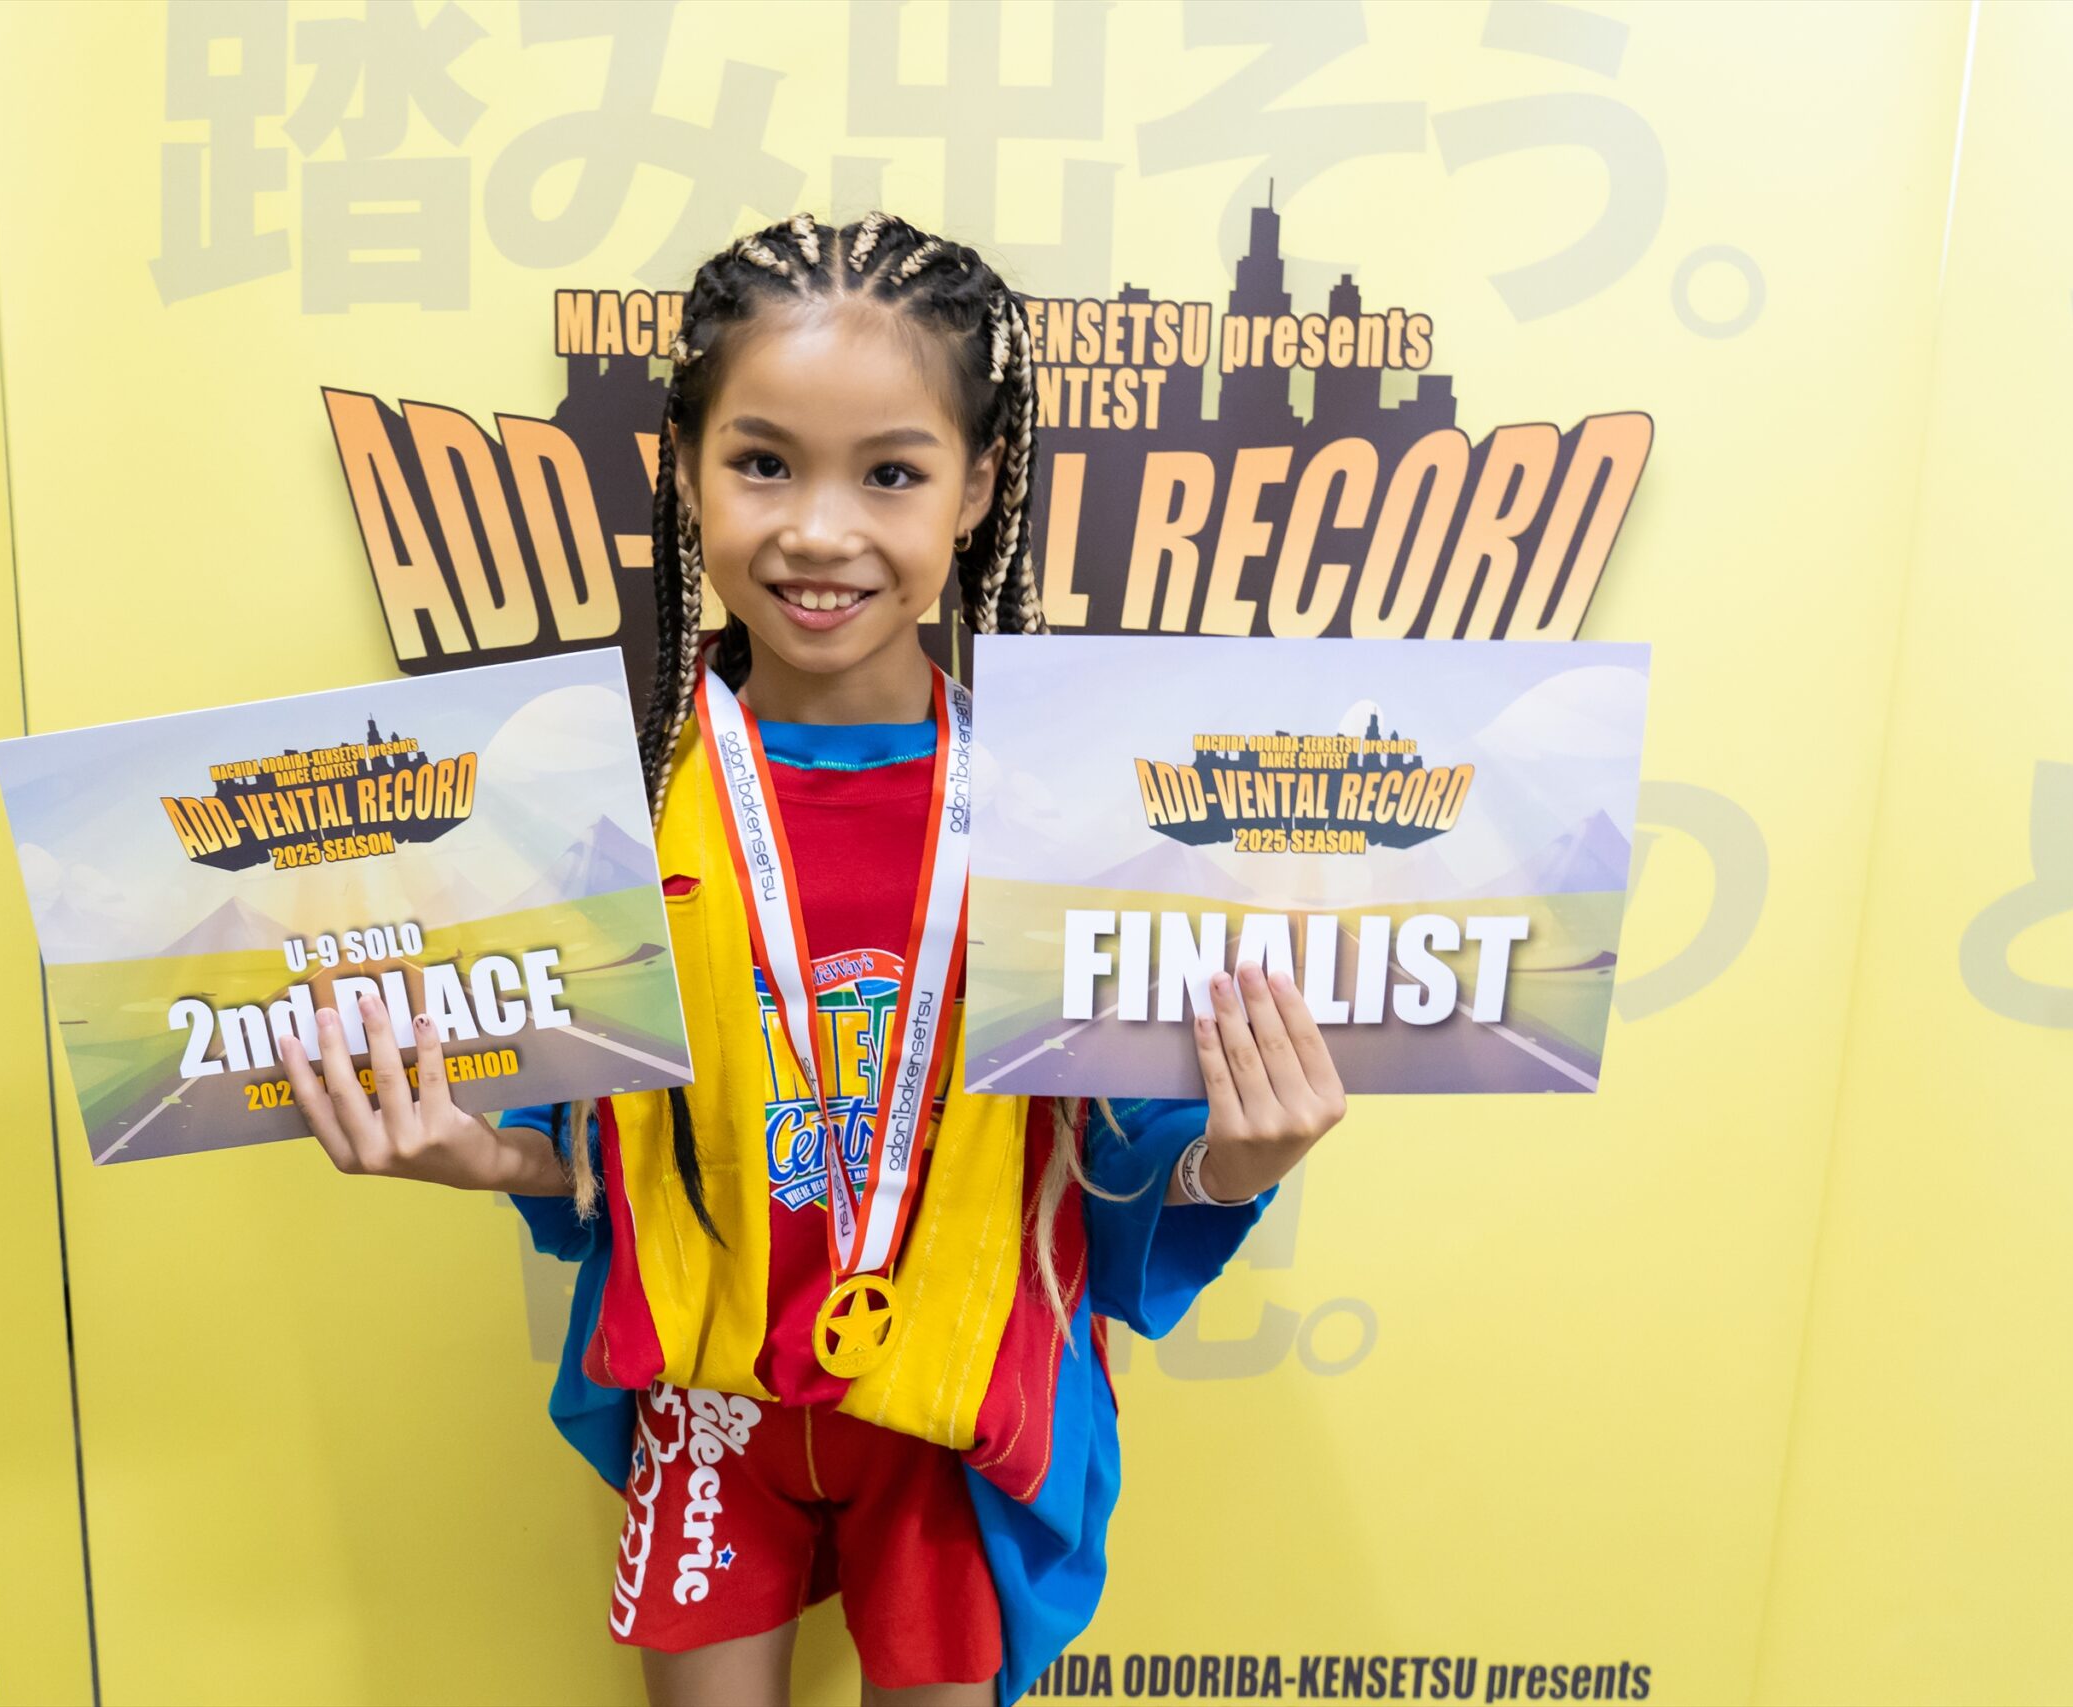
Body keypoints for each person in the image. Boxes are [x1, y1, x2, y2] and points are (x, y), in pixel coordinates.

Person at [275, 212, 1349, 1707]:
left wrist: (1235, 1163)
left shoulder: (1061, 821)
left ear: (980, 485)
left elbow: (1110, 1181)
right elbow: (605, 1155)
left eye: (892, 473)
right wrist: (486, 1157)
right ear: (685, 467)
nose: (820, 532)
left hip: (962, 1403)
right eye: (764, 463)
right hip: (708, 1400)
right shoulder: (613, 807)